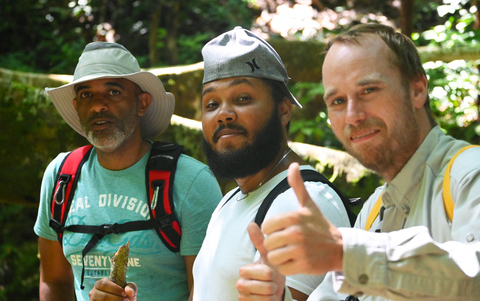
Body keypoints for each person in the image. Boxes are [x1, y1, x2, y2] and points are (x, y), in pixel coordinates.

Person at [237, 23, 480, 301]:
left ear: (417, 90)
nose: (353, 116)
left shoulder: (469, 175)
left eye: (368, 90)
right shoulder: (373, 211)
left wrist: (346, 253)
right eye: (338, 100)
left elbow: (473, 276)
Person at [33, 42, 223, 301]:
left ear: (142, 103)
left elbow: (207, 292)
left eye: (113, 92)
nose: (98, 106)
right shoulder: (61, 176)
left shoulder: (190, 181)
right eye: (87, 95)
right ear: (77, 107)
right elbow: (54, 282)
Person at [191, 26, 352, 301]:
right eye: (211, 104)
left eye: (242, 98)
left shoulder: (305, 203)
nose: (223, 115)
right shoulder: (230, 200)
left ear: (284, 110)